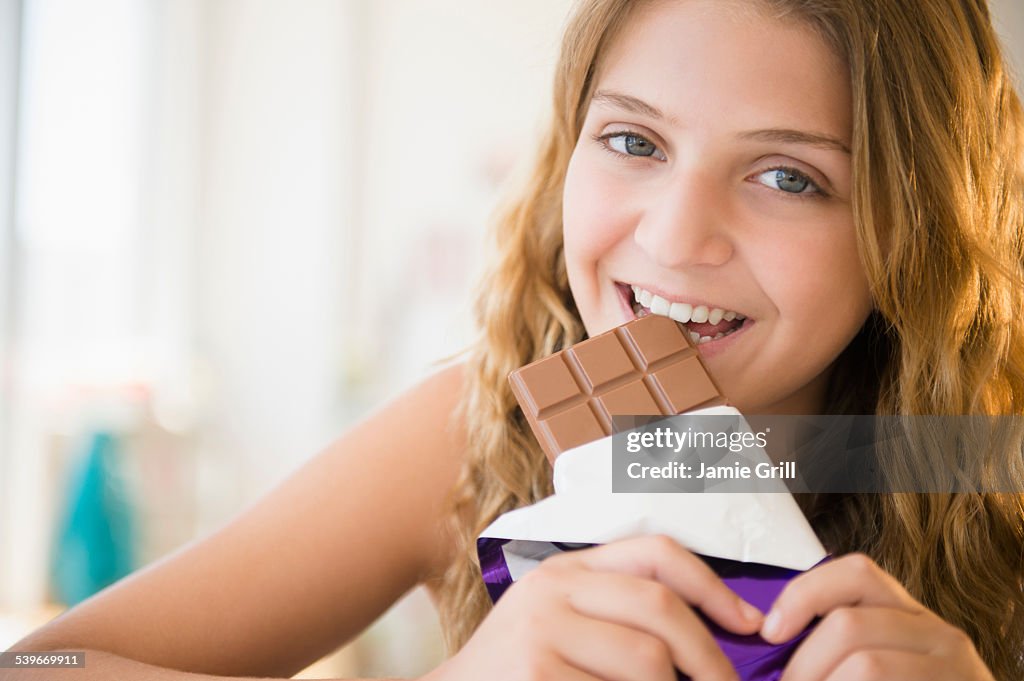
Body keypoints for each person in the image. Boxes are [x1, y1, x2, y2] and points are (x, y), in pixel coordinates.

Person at [10, 0, 1024, 679]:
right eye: (633, 141)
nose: (672, 237)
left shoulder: (998, 480)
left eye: (787, 177)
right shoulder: (471, 435)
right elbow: (38, 665)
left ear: (914, 229)